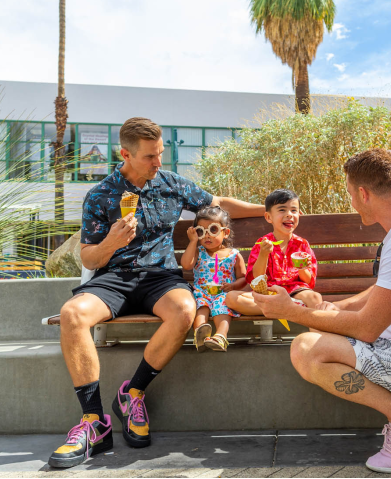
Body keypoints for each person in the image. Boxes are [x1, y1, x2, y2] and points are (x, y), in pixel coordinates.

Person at [48, 117, 264, 469]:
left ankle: (132, 393)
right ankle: (93, 423)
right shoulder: (100, 195)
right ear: (126, 154)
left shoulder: (170, 184)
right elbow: (88, 256)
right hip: (113, 277)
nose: (158, 163)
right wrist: (112, 242)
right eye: (150, 156)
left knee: (184, 310)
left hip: (160, 277)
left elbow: (218, 202)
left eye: (160, 154)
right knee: (72, 315)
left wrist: (266, 210)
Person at [252, 149, 391, 474]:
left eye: (350, 194)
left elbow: (366, 329)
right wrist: (333, 309)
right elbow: (382, 292)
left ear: (363, 193)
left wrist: (290, 310)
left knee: (306, 349)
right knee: (318, 332)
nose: (351, 202)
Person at [226, 189, 321, 315]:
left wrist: (302, 268)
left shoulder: (302, 244)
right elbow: (255, 279)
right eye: (282, 210)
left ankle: (286, 310)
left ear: (299, 215)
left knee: (315, 298)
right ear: (268, 217)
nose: (289, 214)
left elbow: (309, 282)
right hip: (268, 293)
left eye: (294, 210)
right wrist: (263, 254)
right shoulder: (261, 244)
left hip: (295, 292)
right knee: (231, 298)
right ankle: (289, 309)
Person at [180, 205, 246, 352]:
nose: (207, 235)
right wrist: (192, 242)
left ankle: (220, 336)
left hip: (223, 293)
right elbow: (186, 264)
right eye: (201, 231)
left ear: (226, 232)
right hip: (201, 291)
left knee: (222, 305)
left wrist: (233, 286)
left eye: (213, 229)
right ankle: (200, 335)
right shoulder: (198, 251)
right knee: (200, 305)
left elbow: (243, 278)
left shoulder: (233, 255)